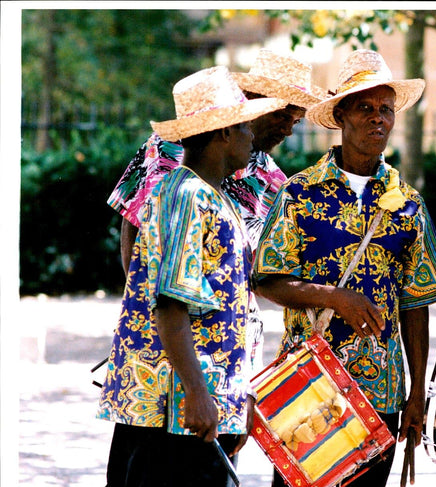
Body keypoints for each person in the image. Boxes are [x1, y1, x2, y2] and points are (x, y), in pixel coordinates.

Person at [252, 49, 436, 487]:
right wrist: (333, 297)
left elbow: (416, 305)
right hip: (307, 382)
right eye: (365, 107)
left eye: (386, 110)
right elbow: (267, 280)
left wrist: (417, 393)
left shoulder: (409, 204)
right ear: (339, 114)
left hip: (379, 388)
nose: (378, 119)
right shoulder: (298, 192)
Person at [93, 66, 284, 487]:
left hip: (200, 404)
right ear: (220, 134)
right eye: (242, 126)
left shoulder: (211, 195)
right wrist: (199, 395)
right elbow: (172, 307)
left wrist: (237, 394)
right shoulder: (188, 196)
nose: (251, 136)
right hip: (172, 411)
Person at [106, 49, 323, 393]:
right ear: (252, 101)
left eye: (295, 121)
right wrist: (147, 311)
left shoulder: (275, 183)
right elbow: (133, 226)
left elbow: (265, 272)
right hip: (169, 339)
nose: (287, 129)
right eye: (282, 114)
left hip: (231, 351)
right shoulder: (170, 150)